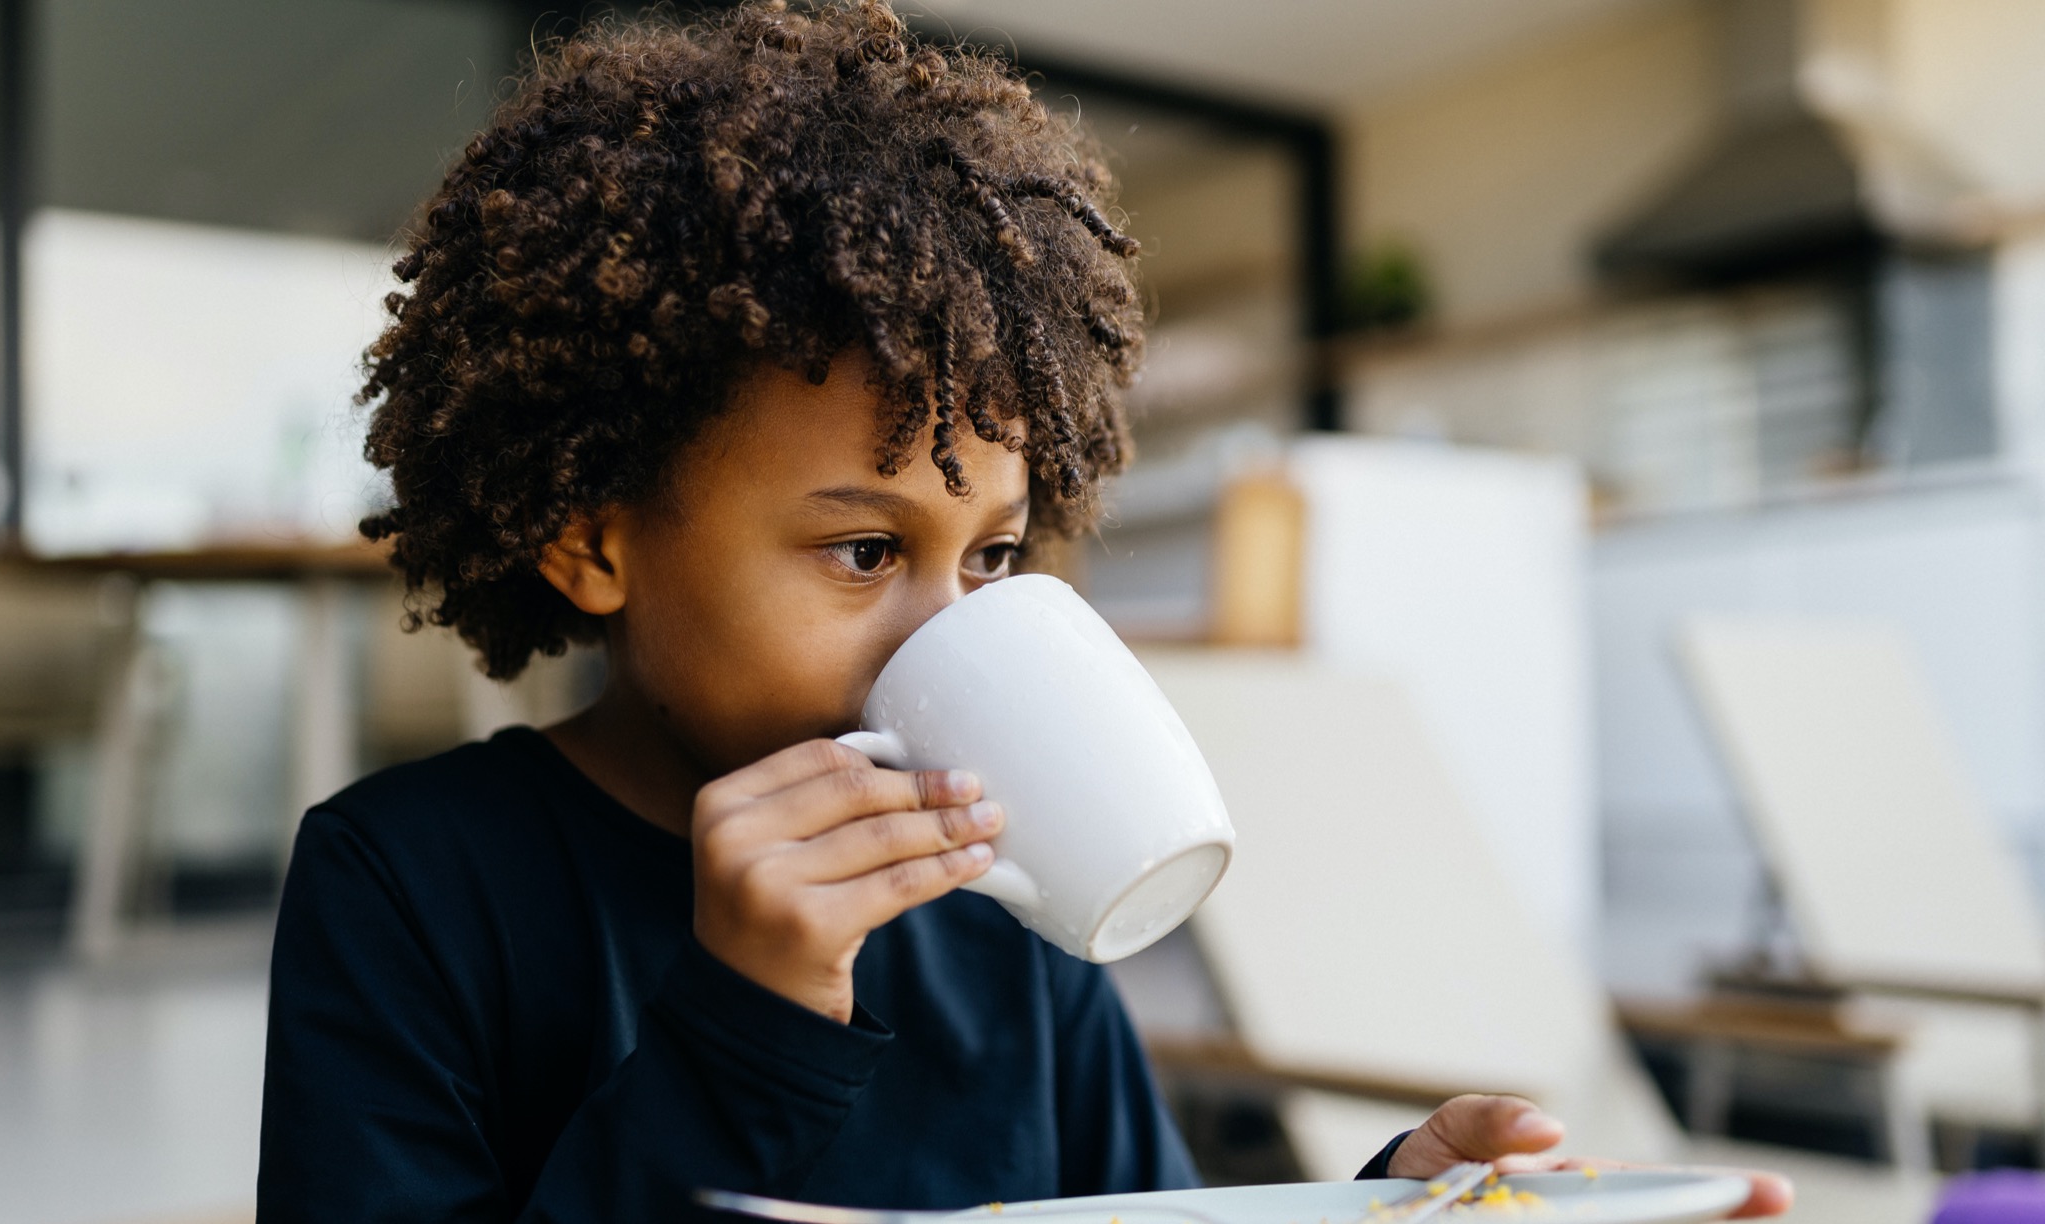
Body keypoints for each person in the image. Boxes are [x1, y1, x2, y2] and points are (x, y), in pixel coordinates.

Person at [257, 3, 1793, 1219]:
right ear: (593, 543)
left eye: (989, 558)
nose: (948, 631)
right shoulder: (407, 889)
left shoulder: (1012, 915)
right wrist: (747, 1022)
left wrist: (1392, 1210)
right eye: (865, 553)